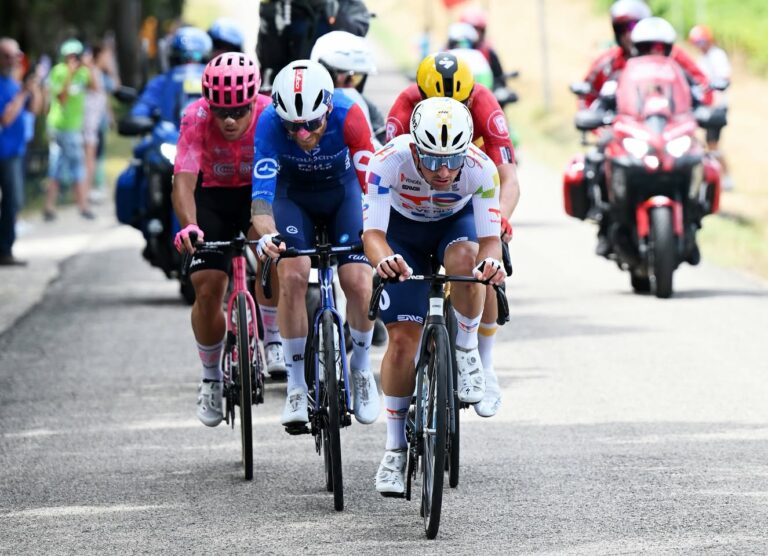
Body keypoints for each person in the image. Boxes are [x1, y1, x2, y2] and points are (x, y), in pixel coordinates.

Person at [363, 97, 505, 495]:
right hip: (401, 233)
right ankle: (393, 449)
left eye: (452, 160)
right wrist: (384, 260)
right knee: (403, 339)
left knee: (468, 259)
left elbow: (491, 241)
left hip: (453, 226)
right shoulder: (387, 161)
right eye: (432, 159)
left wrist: (490, 265)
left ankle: (465, 350)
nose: (444, 171)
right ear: (414, 149)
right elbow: (372, 235)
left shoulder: (480, 168)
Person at [386, 51, 520, 418]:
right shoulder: (403, 108)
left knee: (483, 265)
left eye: (458, 103)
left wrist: (501, 219)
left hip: (468, 191)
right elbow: (391, 168)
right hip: (416, 198)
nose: (448, 109)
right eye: (436, 103)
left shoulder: (483, 103)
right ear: (420, 96)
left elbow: (507, 176)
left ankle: (484, 364)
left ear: (470, 95)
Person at [251, 59, 380, 428]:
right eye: (294, 125)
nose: (303, 133)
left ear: (326, 107)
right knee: (292, 274)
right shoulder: (269, 124)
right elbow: (261, 198)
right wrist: (268, 235)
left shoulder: (349, 114)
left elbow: (372, 186)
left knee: (357, 279)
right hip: (294, 200)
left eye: (311, 123)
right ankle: (294, 386)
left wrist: (377, 231)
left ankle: (360, 369)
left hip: (344, 195)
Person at [172, 52, 273, 427]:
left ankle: (274, 336)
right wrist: (189, 226)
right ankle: (211, 377)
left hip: (256, 196)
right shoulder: (195, 118)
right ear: (208, 105)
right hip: (211, 199)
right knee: (207, 287)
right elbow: (182, 180)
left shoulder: (269, 113)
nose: (229, 120)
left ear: (253, 101)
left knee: (272, 254)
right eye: (220, 112)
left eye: (239, 111)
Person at [44, 38, 96, 221]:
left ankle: (52, 207)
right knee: (74, 166)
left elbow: (95, 88)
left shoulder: (83, 72)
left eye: (77, 56)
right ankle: (82, 206)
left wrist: (89, 67)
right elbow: (62, 98)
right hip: (61, 126)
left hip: (74, 127)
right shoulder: (59, 72)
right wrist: (69, 75)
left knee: (58, 165)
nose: (73, 60)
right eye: (70, 56)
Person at [0, 38, 42, 265]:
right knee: (11, 201)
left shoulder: (13, 84)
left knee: (13, 202)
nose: (11, 60)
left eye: (15, 55)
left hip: (16, 151)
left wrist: (33, 89)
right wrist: (22, 93)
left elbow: (34, 109)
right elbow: (6, 119)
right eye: (6, 55)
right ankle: (4, 250)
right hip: (4, 153)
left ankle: (5, 249)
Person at [309, 30, 385, 146]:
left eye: (357, 78)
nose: (350, 86)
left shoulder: (369, 108)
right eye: (347, 79)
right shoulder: (300, 107)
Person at [130, 26, 212, 124]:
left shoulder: (216, 83)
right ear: (173, 58)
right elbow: (140, 111)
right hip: (169, 136)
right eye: (182, 58)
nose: (190, 63)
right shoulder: (161, 82)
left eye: (196, 57)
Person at [689, 24, 733, 190]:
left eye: (701, 42)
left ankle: (725, 177)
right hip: (704, 108)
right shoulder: (702, 59)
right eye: (696, 43)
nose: (699, 46)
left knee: (712, 145)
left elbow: (724, 78)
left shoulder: (717, 56)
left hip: (716, 108)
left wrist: (715, 94)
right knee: (704, 144)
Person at [459, 5, 507, 90]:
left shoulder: (488, 51)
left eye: (479, 30)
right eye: (472, 29)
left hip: (484, 94)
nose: (475, 34)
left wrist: (499, 89)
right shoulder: (449, 51)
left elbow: (499, 77)